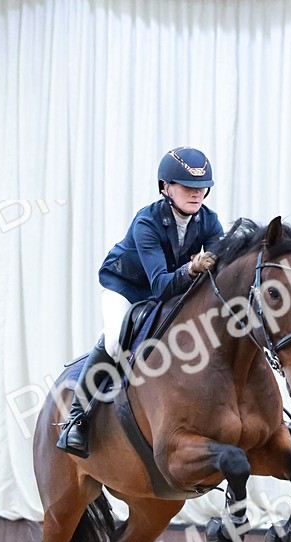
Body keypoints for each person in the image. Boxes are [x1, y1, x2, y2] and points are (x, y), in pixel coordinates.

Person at [57, 146, 224, 457]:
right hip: (127, 287)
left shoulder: (209, 221)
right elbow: (160, 285)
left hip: (172, 287)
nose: (196, 194)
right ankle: (77, 418)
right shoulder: (146, 221)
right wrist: (191, 268)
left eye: (201, 188)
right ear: (165, 187)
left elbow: (216, 274)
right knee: (114, 342)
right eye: (188, 187)